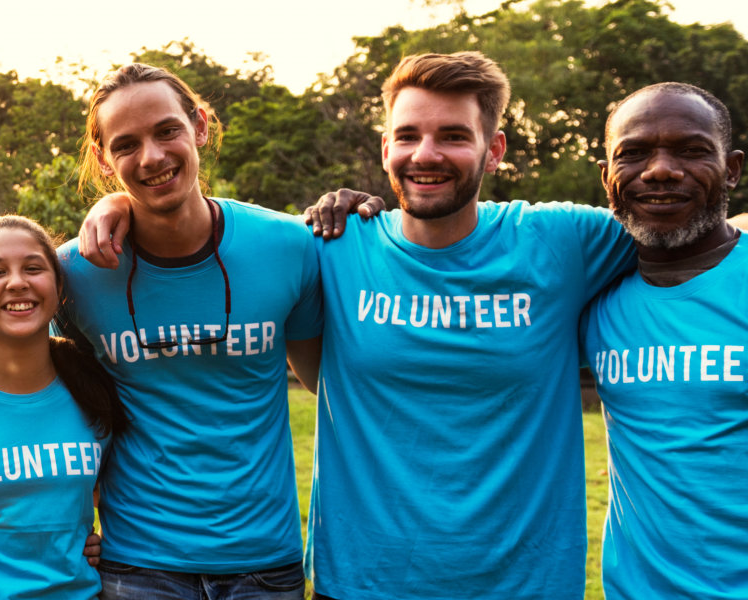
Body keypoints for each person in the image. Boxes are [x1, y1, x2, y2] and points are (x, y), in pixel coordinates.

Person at [300, 52, 632, 599]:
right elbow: (212, 236)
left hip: (526, 584)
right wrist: (117, 208)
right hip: (363, 582)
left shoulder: (563, 240)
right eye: (407, 136)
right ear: (386, 148)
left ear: (493, 150)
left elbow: (701, 233)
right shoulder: (329, 247)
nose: (425, 155)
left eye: (453, 135)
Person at [58, 63, 319, 599]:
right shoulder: (75, 274)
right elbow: (28, 389)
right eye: (126, 144)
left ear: (199, 126)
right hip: (137, 564)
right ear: (105, 161)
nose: (152, 157)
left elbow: (326, 383)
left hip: (266, 563)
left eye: (167, 130)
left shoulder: (289, 247)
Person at [581, 82, 747, 598]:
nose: (660, 170)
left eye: (691, 150)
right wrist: (363, 218)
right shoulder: (588, 293)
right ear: (608, 177)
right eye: (633, 154)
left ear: (733, 170)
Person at [0, 215, 126, 599]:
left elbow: (98, 494)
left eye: (33, 268)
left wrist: (82, 541)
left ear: (58, 286)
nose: (17, 282)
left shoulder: (94, 391)